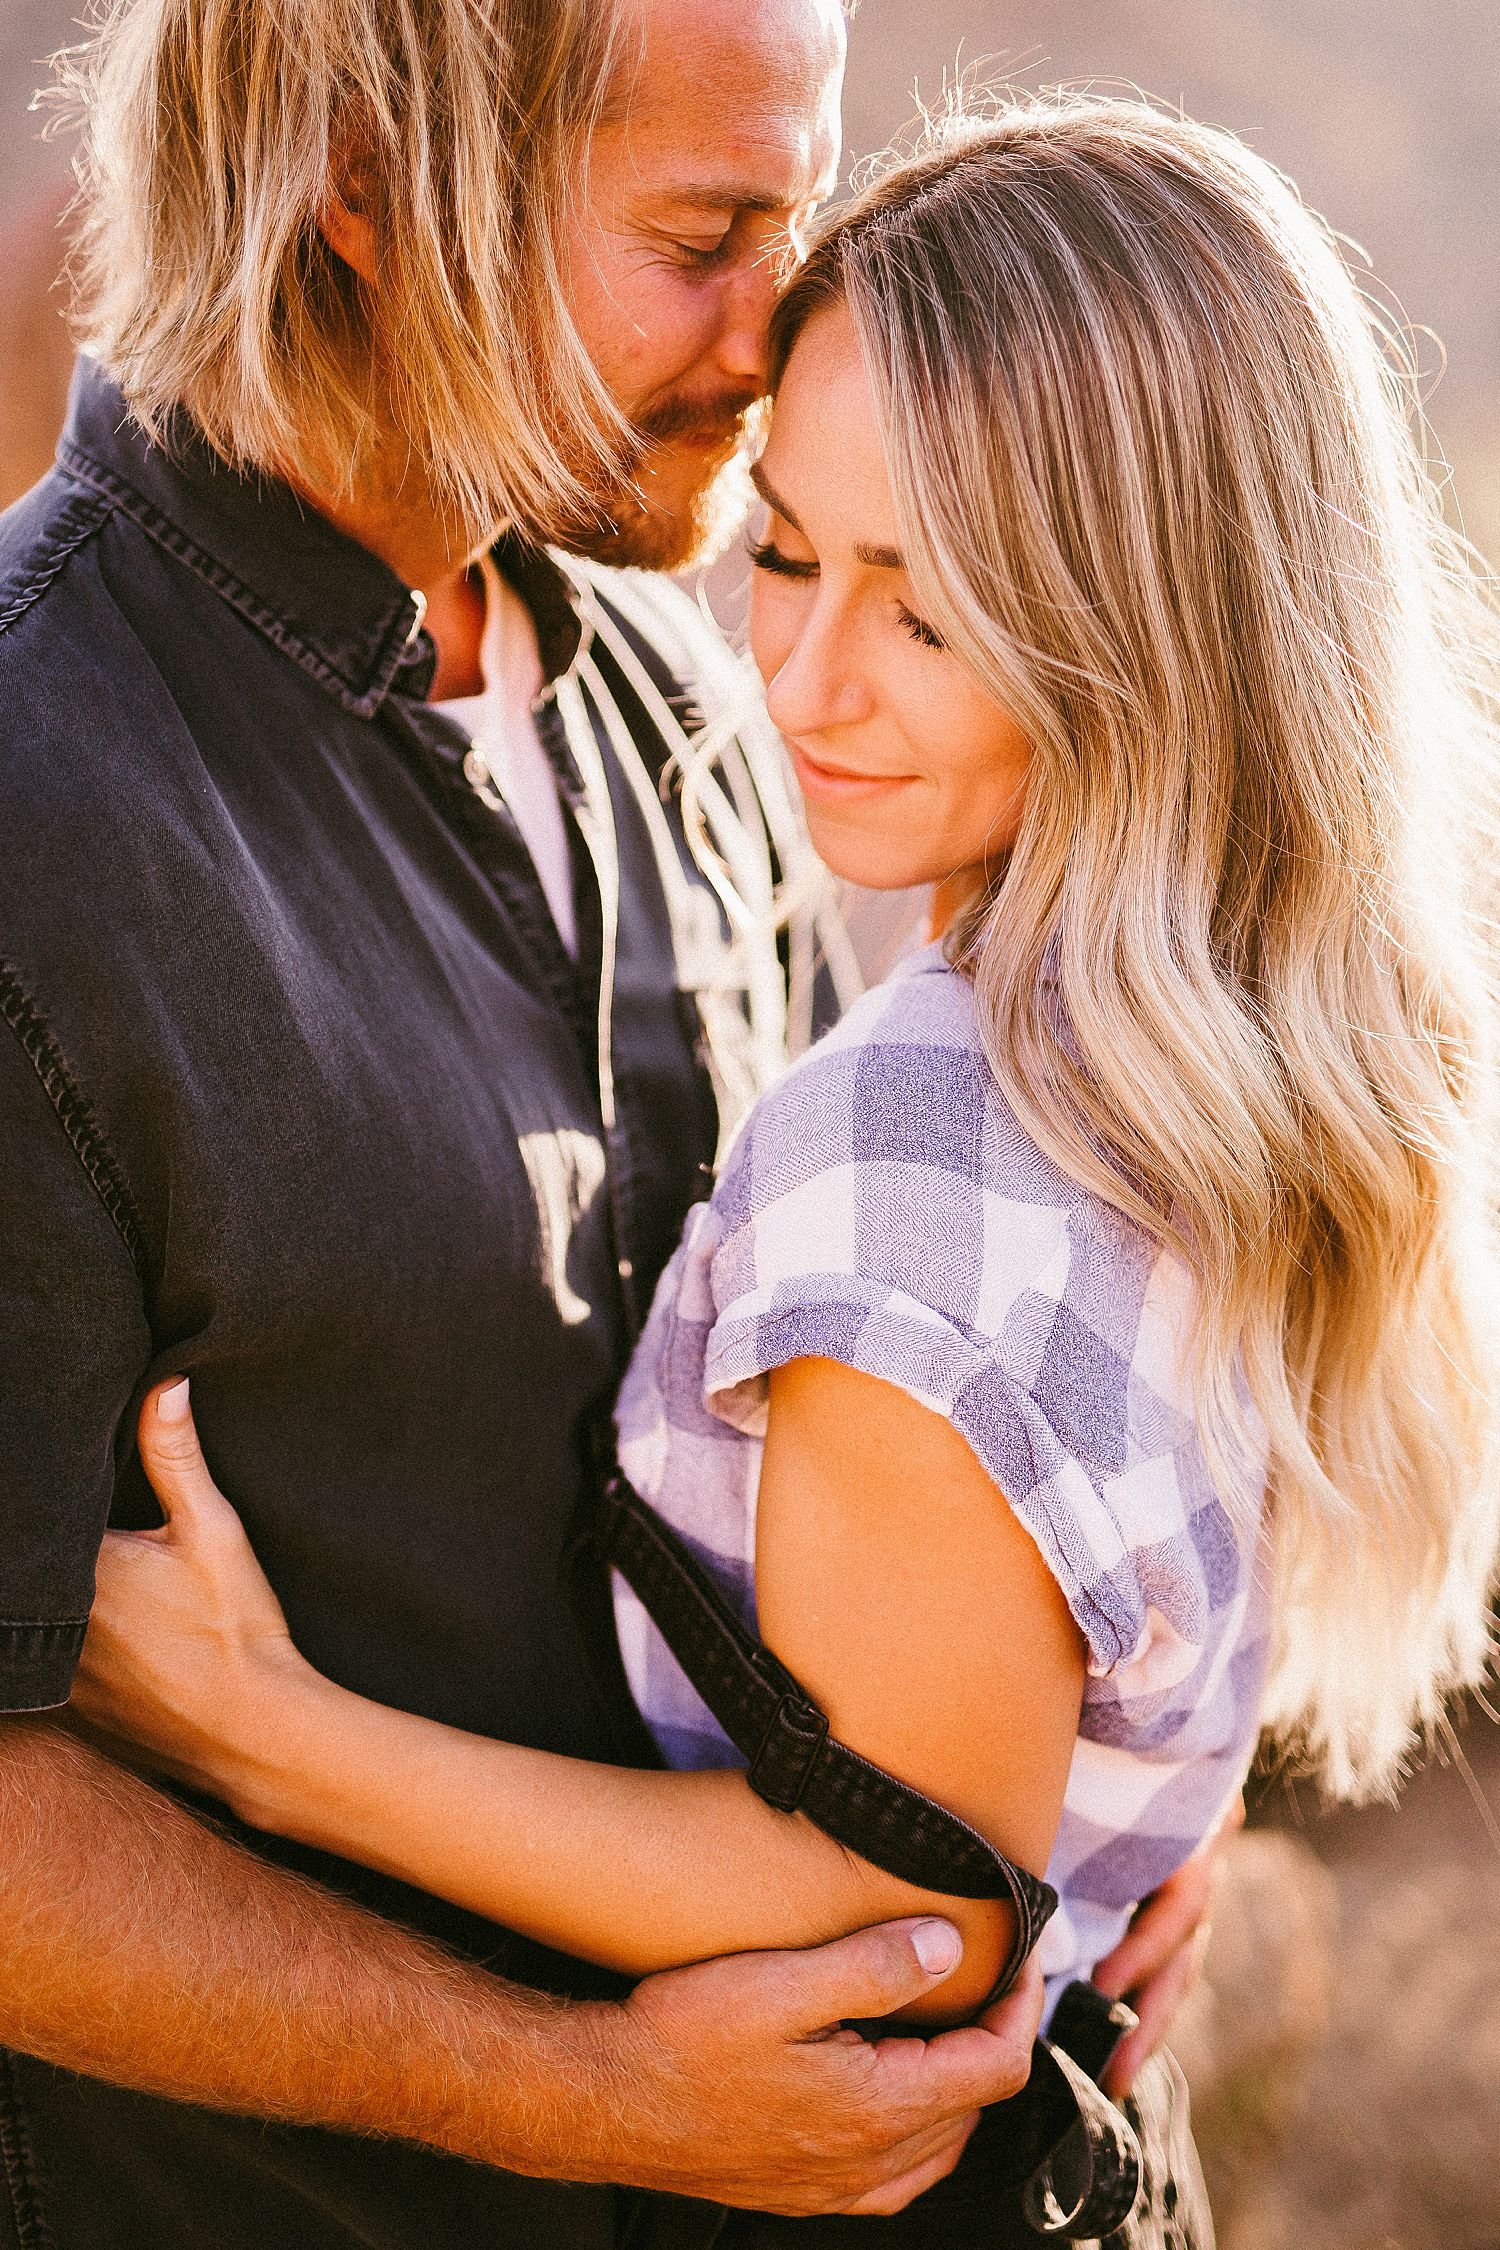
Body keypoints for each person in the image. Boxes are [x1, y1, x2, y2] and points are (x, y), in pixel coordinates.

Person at [71, 89, 1500, 2247]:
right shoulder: (1239, 1055)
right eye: (795, 556)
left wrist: (272, 1739)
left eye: (930, 616)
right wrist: (1125, 1821)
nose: (802, 684)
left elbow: (897, 1912)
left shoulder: (921, 1166)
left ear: (1161, 630)